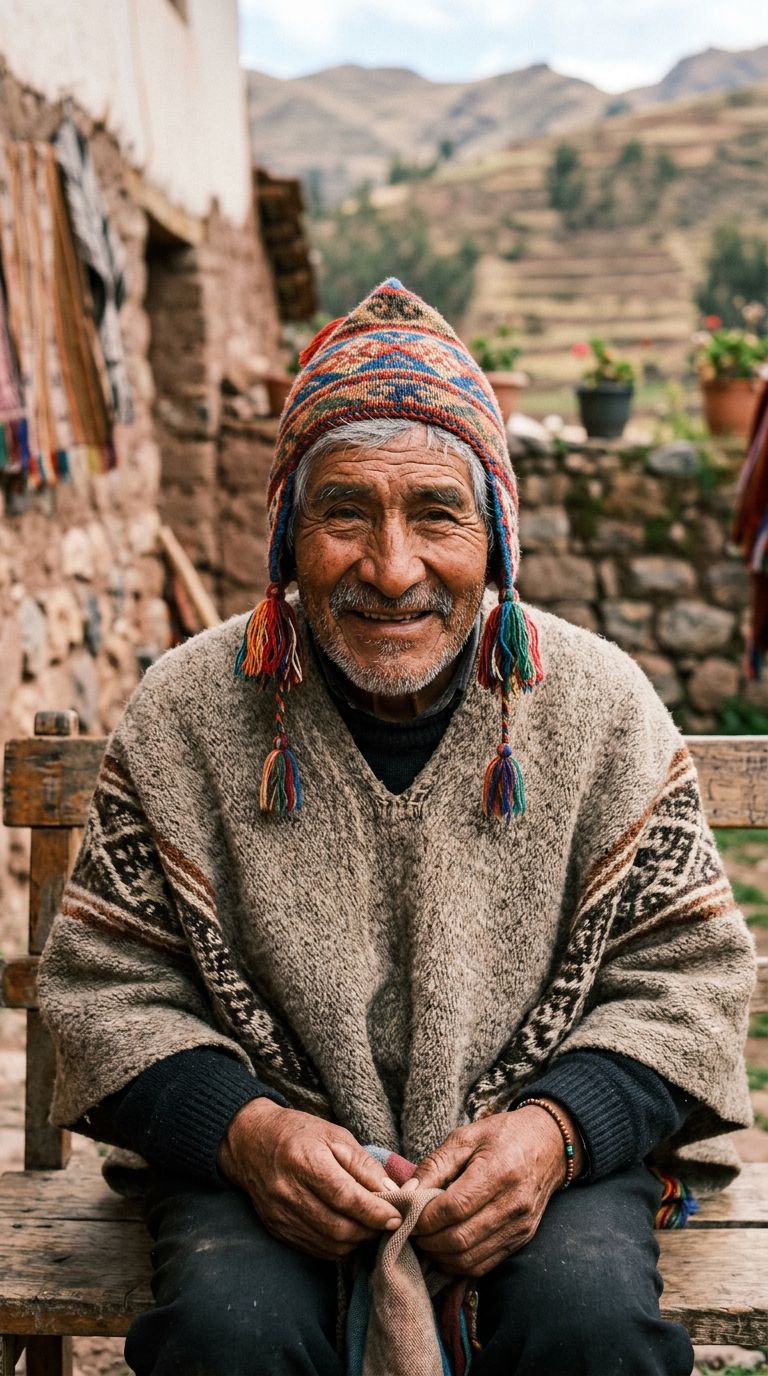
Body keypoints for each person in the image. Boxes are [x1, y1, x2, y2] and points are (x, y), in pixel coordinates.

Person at [39, 278, 755, 1376]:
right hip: (260, 1163)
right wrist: (244, 1129)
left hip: (537, 1155)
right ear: (286, 527)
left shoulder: (600, 707)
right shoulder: (187, 713)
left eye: (436, 511)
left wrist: (557, 1129)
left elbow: (689, 977)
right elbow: (103, 987)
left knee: (589, 1326)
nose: (392, 565)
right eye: (344, 511)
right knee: (231, 1334)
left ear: (497, 535)